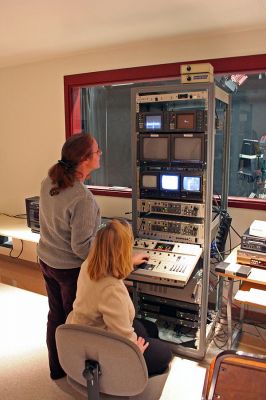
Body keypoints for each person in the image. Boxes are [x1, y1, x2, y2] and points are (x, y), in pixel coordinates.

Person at [66, 219, 172, 376]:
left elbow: (111, 269)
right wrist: (136, 349)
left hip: (83, 330)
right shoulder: (112, 290)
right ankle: (127, 378)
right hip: (100, 344)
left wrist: (130, 262)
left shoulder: (89, 264)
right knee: (164, 354)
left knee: (150, 328)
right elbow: (122, 337)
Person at [38, 132, 102, 380]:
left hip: (46, 260)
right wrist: (110, 249)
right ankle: (77, 374)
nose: (100, 154)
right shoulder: (82, 198)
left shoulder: (49, 180)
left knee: (56, 316)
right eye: (97, 151)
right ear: (85, 159)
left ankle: (57, 369)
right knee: (74, 324)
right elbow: (82, 248)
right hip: (69, 271)